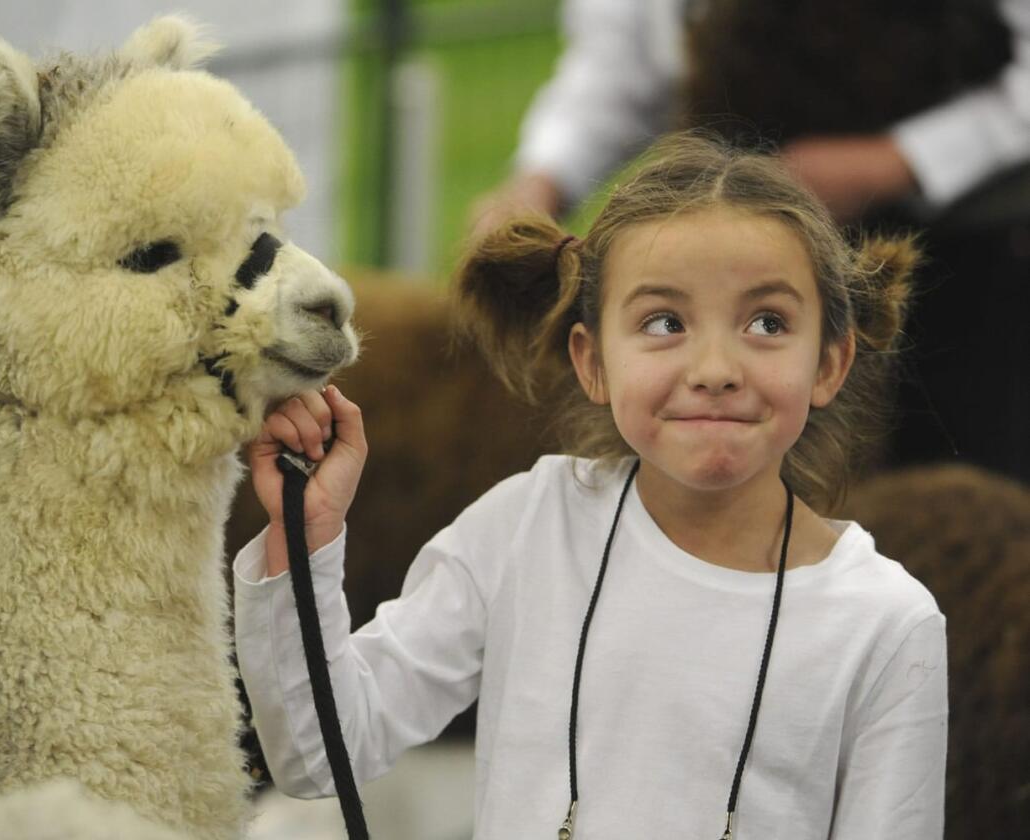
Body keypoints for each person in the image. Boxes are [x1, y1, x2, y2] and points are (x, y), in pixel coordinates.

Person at [234, 133, 947, 838]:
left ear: (829, 362)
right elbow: (317, 752)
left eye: (767, 322)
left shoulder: (885, 625)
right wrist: (306, 543)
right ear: (592, 360)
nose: (715, 367)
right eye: (664, 322)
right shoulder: (528, 528)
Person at [471, 0, 1030, 483]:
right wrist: (544, 177)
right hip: (729, 213)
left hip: (967, 256)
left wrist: (896, 160)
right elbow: (622, 63)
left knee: (958, 499)